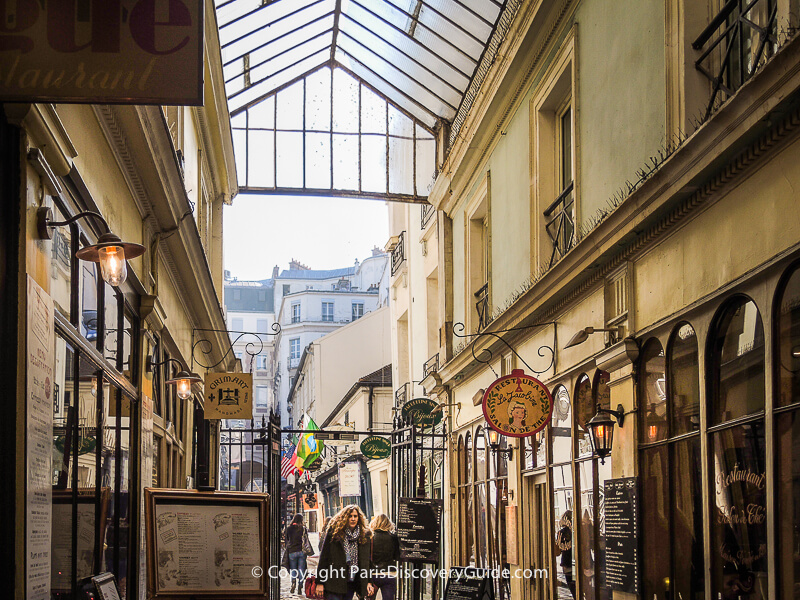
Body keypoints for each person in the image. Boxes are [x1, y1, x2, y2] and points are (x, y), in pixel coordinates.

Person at [317, 505, 376, 600]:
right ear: (344, 518)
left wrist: (368, 582)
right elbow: (324, 557)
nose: (353, 519)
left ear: (359, 518)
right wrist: (320, 582)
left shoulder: (364, 536)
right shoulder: (334, 533)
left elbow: (366, 562)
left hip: (351, 582)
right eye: (350, 516)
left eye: (355, 516)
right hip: (333, 582)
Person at [369, 514, 401, 600]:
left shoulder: (371, 537)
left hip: (373, 575)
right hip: (389, 574)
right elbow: (397, 557)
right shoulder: (394, 538)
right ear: (389, 523)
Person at [284, 514, 309, 594]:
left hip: (292, 551)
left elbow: (287, 539)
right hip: (301, 551)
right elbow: (306, 540)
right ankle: (300, 586)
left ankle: (293, 582)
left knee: (293, 569)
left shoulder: (289, 528)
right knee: (301, 569)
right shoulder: (303, 529)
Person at [555, 510, 575, 599]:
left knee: (572, 587)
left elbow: (557, 551)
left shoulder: (561, 533)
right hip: (578, 562)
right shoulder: (577, 531)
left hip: (567, 562)